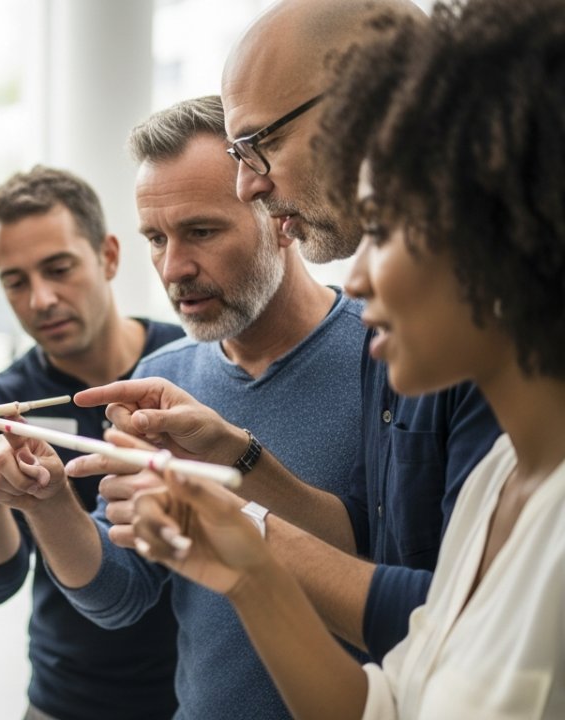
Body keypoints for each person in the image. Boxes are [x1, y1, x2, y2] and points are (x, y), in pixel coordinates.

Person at [127, 1, 565, 716]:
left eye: (387, 228)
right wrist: (246, 557)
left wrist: (255, 536)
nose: (356, 284)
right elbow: (398, 697)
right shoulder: (498, 479)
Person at [0, 95, 368, 718]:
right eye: (156, 239)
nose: (173, 267)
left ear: (280, 216)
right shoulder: (160, 378)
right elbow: (120, 597)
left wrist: (237, 470)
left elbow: (400, 583)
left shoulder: (387, 357)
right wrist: (48, 503)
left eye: (202, 232)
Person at [0, 166, 182, 720]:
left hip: (195, 694)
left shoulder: (186, 367)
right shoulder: (0, 402)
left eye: (58, 269)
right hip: (68, 699)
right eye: (15, 281)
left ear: (108, 256)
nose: (41, 299)